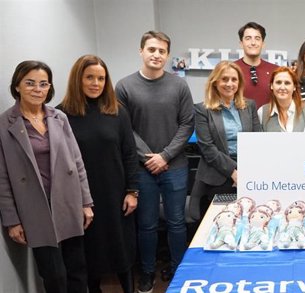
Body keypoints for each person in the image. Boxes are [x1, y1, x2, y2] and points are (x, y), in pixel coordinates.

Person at [0, 60, 93, 293]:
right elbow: (2, 177)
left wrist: (86, 202)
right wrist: (12, 220)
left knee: (77, 270)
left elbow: (77, 161)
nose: (37, 89)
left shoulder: (58, 118)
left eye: (43, 84)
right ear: (17, 86)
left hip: (67, 201)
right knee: (54, 275)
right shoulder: (5, 123)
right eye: (30, 83)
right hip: (35, 207)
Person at [115, 31, 194, 292]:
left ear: (168, 54)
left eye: (161, 51)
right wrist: (150, 157)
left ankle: (178, 268)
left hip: (175, 166)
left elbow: (186, 124)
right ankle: (147, 272)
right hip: (142, 170)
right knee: (146, 224)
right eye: (151, 49)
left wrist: (165, 156)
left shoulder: (179, 86)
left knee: (176, 222)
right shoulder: (124, 86)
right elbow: (124, 129)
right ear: (141, 51)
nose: (156, 55)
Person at [58, 55, 139, 293]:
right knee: (88, 254)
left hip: (116, 195)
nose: (96, 83)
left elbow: (130, 154)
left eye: (101, 78)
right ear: (78, 79)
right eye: (90, 77)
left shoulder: (117, 112)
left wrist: (132, 191)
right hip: (81, 198)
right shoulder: (61, 115)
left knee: (121, 251)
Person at [192, 61, 262, 220]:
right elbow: (207, 147)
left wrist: (245, 172)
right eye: (224, 79)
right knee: (221, 222)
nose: (229, 84)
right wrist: (234, 171)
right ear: (215, 82)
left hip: (249, 172)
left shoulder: (249, 106)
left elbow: (257, 140)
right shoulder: (202, 109)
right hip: (217, 174)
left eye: (234, 79)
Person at [233, 22, 279, 108]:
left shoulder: (276, 71)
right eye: (248, 38)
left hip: (268, 120)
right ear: (241, 43)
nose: (253, 43)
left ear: (263, 43)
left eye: (257, 38)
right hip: (239, 120)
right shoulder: (231, 69)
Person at [257, 66, 305, 132]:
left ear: (294, 87)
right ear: (272, 86)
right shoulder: (262, 112)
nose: (282, 87)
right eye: (278, 82)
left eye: (287, 83)